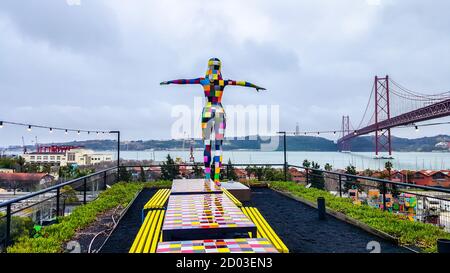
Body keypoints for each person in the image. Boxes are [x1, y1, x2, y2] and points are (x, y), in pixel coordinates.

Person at [161, 58, 265, 185]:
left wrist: (170, 82)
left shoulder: (203, 80)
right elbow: (242, 83)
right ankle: (216, 178)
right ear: (220, 67)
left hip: (207, 112)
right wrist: (255, 86)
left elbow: (185, 81)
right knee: (218, 147)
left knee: (207, 145)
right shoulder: (223, 82)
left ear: (208, 67)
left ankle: (207, 175)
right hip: (219, 112)